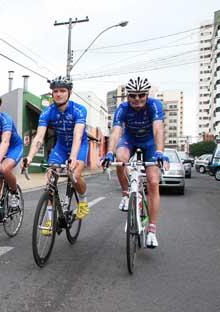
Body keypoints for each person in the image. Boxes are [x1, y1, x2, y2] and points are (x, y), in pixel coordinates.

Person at [101, 77, 168, 248]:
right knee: (119, 158)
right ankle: (126, 194)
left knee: (153, 182)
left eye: (141, 95)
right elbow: (116, 132)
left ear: (146, 95)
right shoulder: (122, 109)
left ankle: (152, 231)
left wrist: (160, 152)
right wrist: (109, 152)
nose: (137, 99)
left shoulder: (154, 105)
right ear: (127, 96)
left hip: (150, 143)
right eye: (133, 96)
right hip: (129, 139)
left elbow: (158, 128)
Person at [22, 76, 90, 221]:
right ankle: (49, 218)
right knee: (50, 179)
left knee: (75, 175)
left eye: (62, 91)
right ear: (52, 93)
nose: (58, 94)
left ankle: (83, 201)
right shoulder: (47, 112)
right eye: (55, 91)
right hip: (60, 147)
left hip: (79, 145)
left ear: (69, 93)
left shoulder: (79, 109)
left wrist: (72, 157)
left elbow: (78, 135)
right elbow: (39, 137)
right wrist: (29, 157)